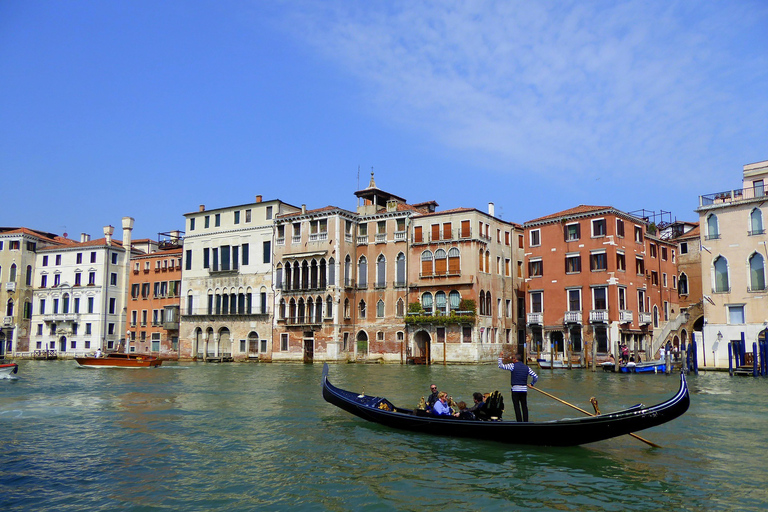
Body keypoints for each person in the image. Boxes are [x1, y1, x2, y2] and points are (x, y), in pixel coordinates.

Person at [498, 353, 538, 422]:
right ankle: (526, 422)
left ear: (515, 359)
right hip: (524, 390)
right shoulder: (527, 368)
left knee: (517, 407)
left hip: (515, 390)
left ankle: (519, 422)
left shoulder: (512, 366)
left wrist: (500, 357)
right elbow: (535, 377)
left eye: (513, 358)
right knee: (524, 407)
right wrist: (532, 384)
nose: (512, 359)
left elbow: (501, 366)